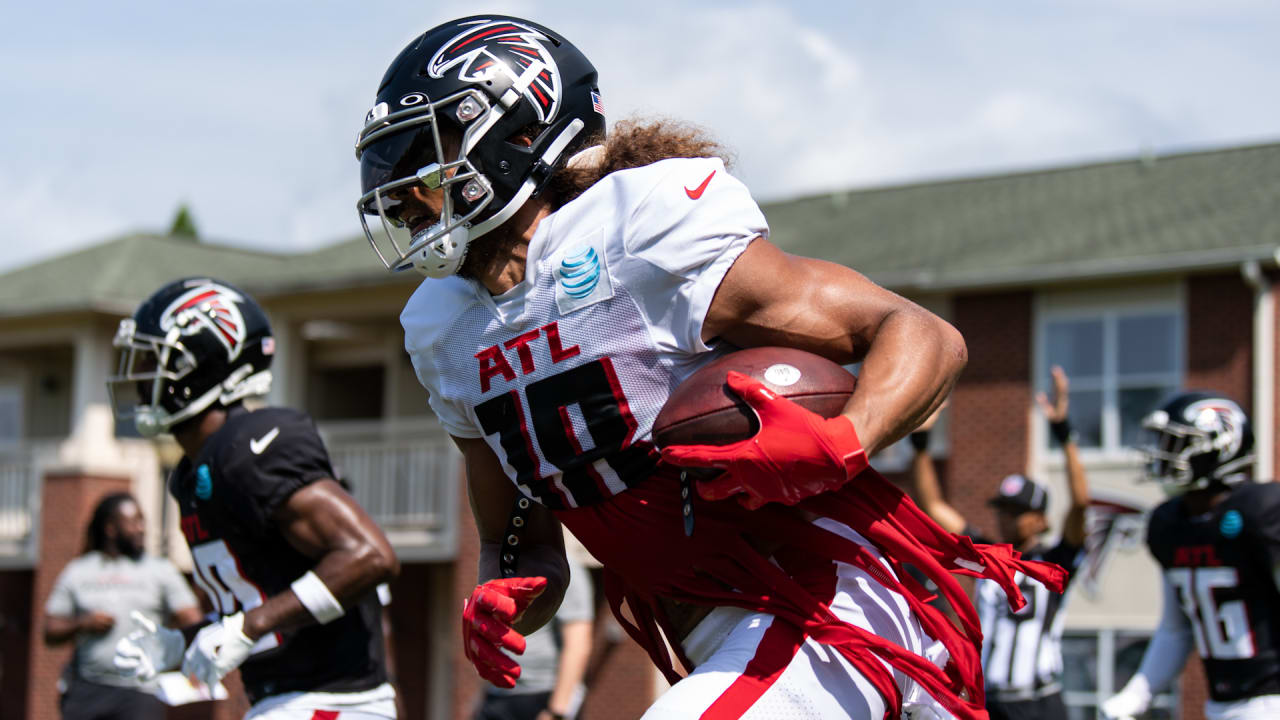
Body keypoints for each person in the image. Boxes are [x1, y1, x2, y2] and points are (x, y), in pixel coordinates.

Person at [355, 15, 1065, 719]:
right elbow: (522, 543)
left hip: (830, 606)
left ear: (520, 131)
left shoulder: (636, 229)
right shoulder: (441, 328)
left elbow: (920, 332)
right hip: (721, 637)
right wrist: (507, 598)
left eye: (429, 149)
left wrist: (845, 439)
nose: (405, 188)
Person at [105, 277, 401, 719]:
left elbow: (371, 557)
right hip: (285, 700)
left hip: (335, 701)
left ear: (202, 367)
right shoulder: (193, 473)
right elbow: (260, 602)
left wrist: (249, 625)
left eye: (156, 360)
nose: (141, 378)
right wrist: (181, 641)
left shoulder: (251, 447)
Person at [909, 367, 1089, 720]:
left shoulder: (1056, 563)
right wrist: (920, 444)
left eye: (1017, 511)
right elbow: (933, 508)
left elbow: (1081, 503)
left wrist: (1064, 435)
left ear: (1040, 517)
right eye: (1003, 510)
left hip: (1041, 703)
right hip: (990, 702)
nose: (1006, 519)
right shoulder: (988, 555)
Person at [1101, 392, 1280, 720]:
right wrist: (1137, 694)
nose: (1162, 456)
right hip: (1221, 704)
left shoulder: (1262, 511)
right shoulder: (1169, 524)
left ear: (1220, 448)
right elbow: (1176, 628)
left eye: (1176, 445)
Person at [44, 492, 203, 720]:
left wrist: (192, 660)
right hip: (88, 688)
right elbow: (50, 631)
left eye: (142, 521)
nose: (141, 528)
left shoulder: (160, 570)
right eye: (132, 522)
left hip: (140, 692)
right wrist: (83, 623)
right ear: (110, 527)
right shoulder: (78, 571)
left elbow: (193, 619)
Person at [475, 555, 593, 720]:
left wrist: (556, 712)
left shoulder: (565, 571)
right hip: (498, 696)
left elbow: (578, 645)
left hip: (541, 697)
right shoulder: (505, 567)